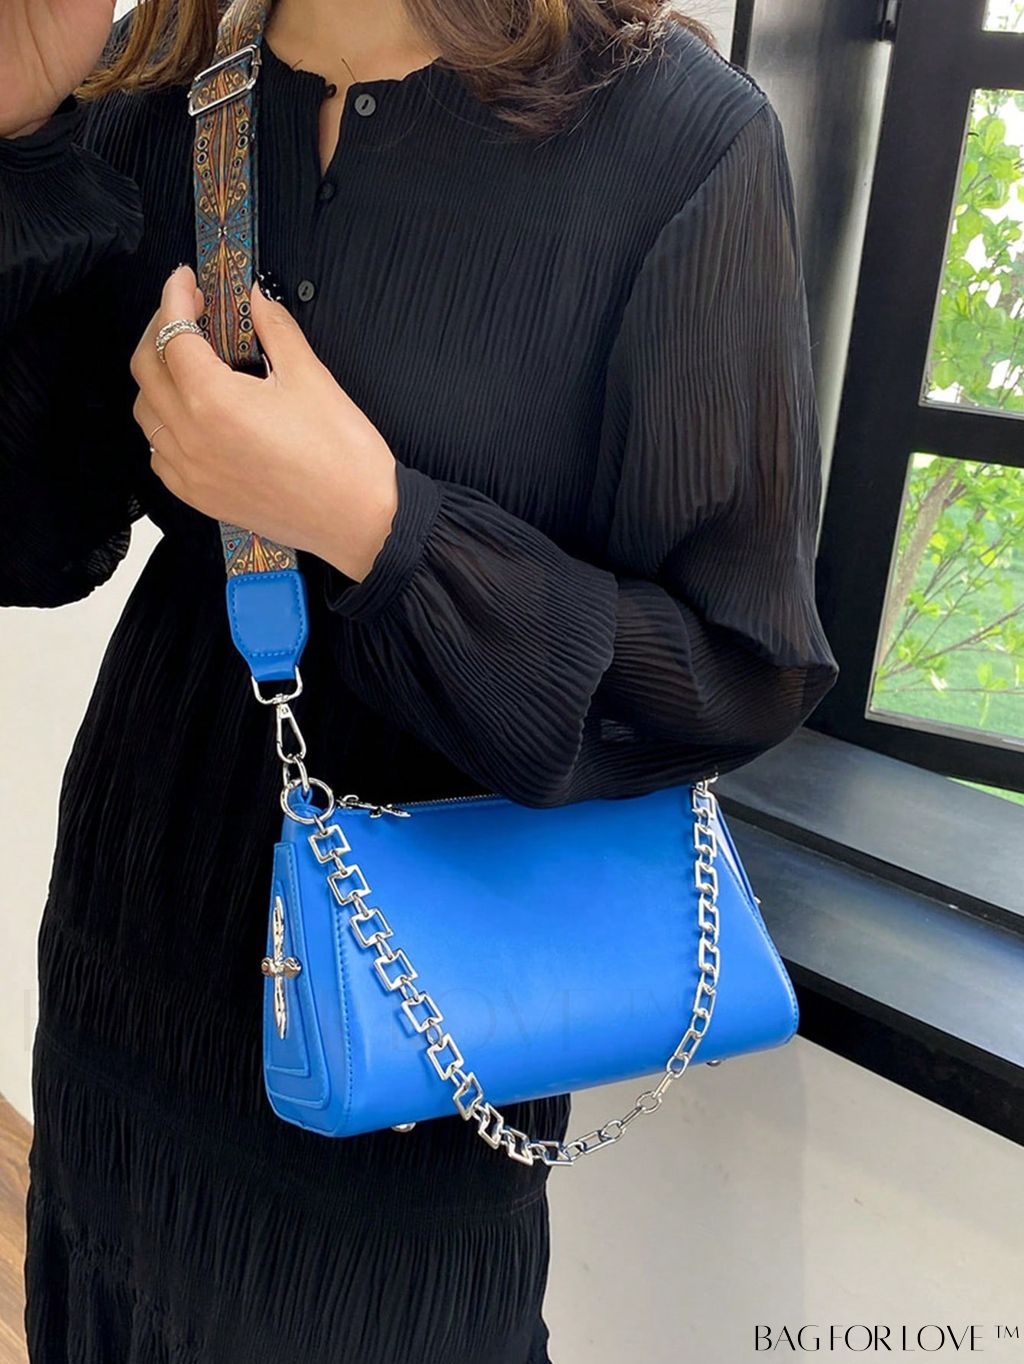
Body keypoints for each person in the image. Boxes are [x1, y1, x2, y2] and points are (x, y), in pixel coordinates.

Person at [0, 0, 840, 1357]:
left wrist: (382, 526)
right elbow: (38, 539)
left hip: (421, 1039)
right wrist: (20, 132)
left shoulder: (677, 139)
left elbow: (734, 671)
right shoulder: (161, 89)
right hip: (130, 954)